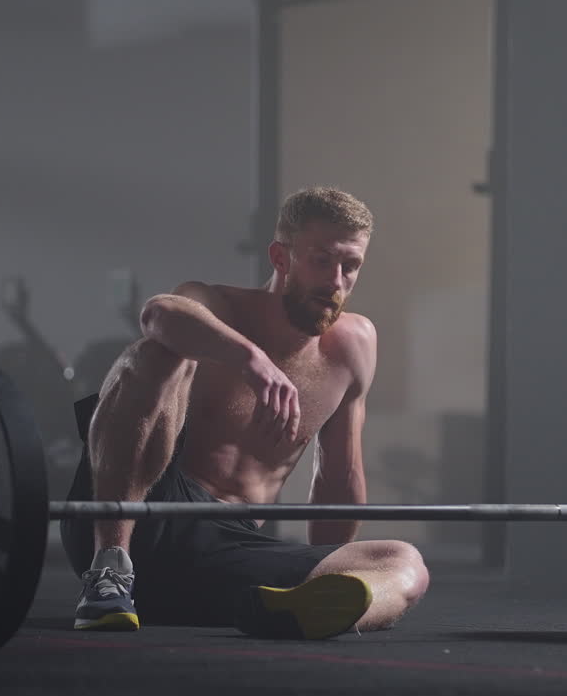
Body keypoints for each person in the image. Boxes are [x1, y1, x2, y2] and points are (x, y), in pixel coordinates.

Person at [60, 187, 429, 640]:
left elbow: (338, 477)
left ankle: (309, 611)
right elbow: (159, 314)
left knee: (404, 563)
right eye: (321, 260)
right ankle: (108, 573)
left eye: (350, 266)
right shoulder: (219, 307)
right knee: (155, 354)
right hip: (138, 509)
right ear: (280, 257)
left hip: (226, 546)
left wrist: (327, 563)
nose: (337, 281)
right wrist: (251, 360)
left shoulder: (353, 346)